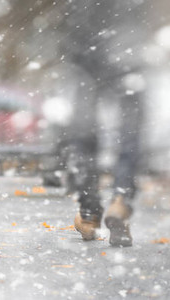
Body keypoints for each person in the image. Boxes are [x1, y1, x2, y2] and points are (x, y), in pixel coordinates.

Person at [59, 0, 147, 247]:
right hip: (127, 48)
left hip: (88, 49)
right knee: (129, 132)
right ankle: (120, 201)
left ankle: (88, 212)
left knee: (84, 132)